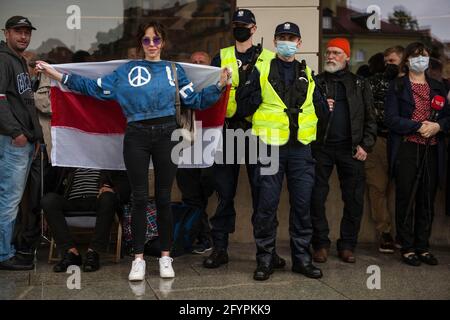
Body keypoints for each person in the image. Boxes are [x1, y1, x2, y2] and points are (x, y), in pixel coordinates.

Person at [36, 21, 229, 281]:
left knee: (162, 198)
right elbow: (93, 88)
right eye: (147, 40)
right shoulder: (127, 71)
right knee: (138, 198)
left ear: (163, 42)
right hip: (136, 135)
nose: (151, 45)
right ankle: (137, 259)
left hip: (166, 135)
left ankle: (165, 257)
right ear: (141, 43)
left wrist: (219, 85)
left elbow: (194, 100)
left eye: (156, 39)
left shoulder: (174, 70)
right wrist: (55, 74)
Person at [241, 22, 327, 280]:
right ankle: (265, 259)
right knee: (266, 206)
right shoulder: (261, 69)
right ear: (276, 42)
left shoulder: (308, 73)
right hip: (269, 148)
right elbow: (245, 104)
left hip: (301, 149)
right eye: (282, 37)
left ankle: (301, 259)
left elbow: (319, 109)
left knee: (302, 205)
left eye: (292, 38)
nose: (287, 41)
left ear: (299, 43)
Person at [203, 8, 285, 270]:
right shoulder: (222, 56)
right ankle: (220, 249)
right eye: (236, 24)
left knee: (264, 195)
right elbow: (211, 93)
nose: (240, 28)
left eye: (244, 24)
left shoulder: (269, 58)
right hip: (227, 133)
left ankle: (267, 252)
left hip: (258, 133)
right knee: (224, 194)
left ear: (254, 28)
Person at [311, 38, 377, 264]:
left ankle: (347, 245)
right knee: (316, 197)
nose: (330, 56)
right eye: (328, 52)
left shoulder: (360, 83)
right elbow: (306, 116)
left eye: (337, 53)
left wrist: (365, 145)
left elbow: (370, 118)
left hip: (352, 150)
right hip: (321, 149)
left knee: (354, 199)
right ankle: (319, 244)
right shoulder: (316, 82)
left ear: (347, 57)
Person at [385, 42, 450, 266]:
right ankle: (407, 246)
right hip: (407, 148)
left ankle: (423, 246)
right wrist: (418, 126)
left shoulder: (438, 86)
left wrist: (438, 127)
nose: (419, 59)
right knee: (406, 197)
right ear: (407, 61)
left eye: (423, 56)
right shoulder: (397, 86)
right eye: (414, 56)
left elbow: (447, 118)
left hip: (432, 149)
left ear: (429, 60)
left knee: (426, 199)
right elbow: (391, 119)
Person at [0, 16, 43, 271]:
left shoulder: (19, 61)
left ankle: (8, 249)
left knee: (11, 199)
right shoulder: (4, 58)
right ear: (6, 33)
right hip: (12, 141)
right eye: (18, 31)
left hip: (23, 142)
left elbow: (21, 100)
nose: (23, 36)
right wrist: (17, 133)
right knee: (8, 199)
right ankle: (4, 254)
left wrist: (34, 136)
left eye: (27, 32)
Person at [41, 168, 121, 272]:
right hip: (72, 200)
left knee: (108, 197)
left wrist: (113, 189)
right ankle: (70, 252)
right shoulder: (69, 162)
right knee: (48, 200)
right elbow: (51, 182)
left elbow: (125, 181)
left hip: (97, 200)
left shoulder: (104, 160)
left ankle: (94, 252)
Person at [366, 46, 404, 253]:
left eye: (393, 61)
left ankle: (404, 233)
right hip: (379, 140)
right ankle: (385, 232)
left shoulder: (410, 84)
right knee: (377, 187)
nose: (390, 65)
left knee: (403, 189)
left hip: (404, 141)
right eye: (387, 61)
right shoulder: (375, 81)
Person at [176, 51, 214, 254]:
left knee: (201, 195)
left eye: (202, 62)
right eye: (194, 63)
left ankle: (204, 237)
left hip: (210, 148)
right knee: (191, 196)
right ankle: (203, 237)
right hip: (183, 148)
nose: (198, 64)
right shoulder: (179, 88)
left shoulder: (217, 85)